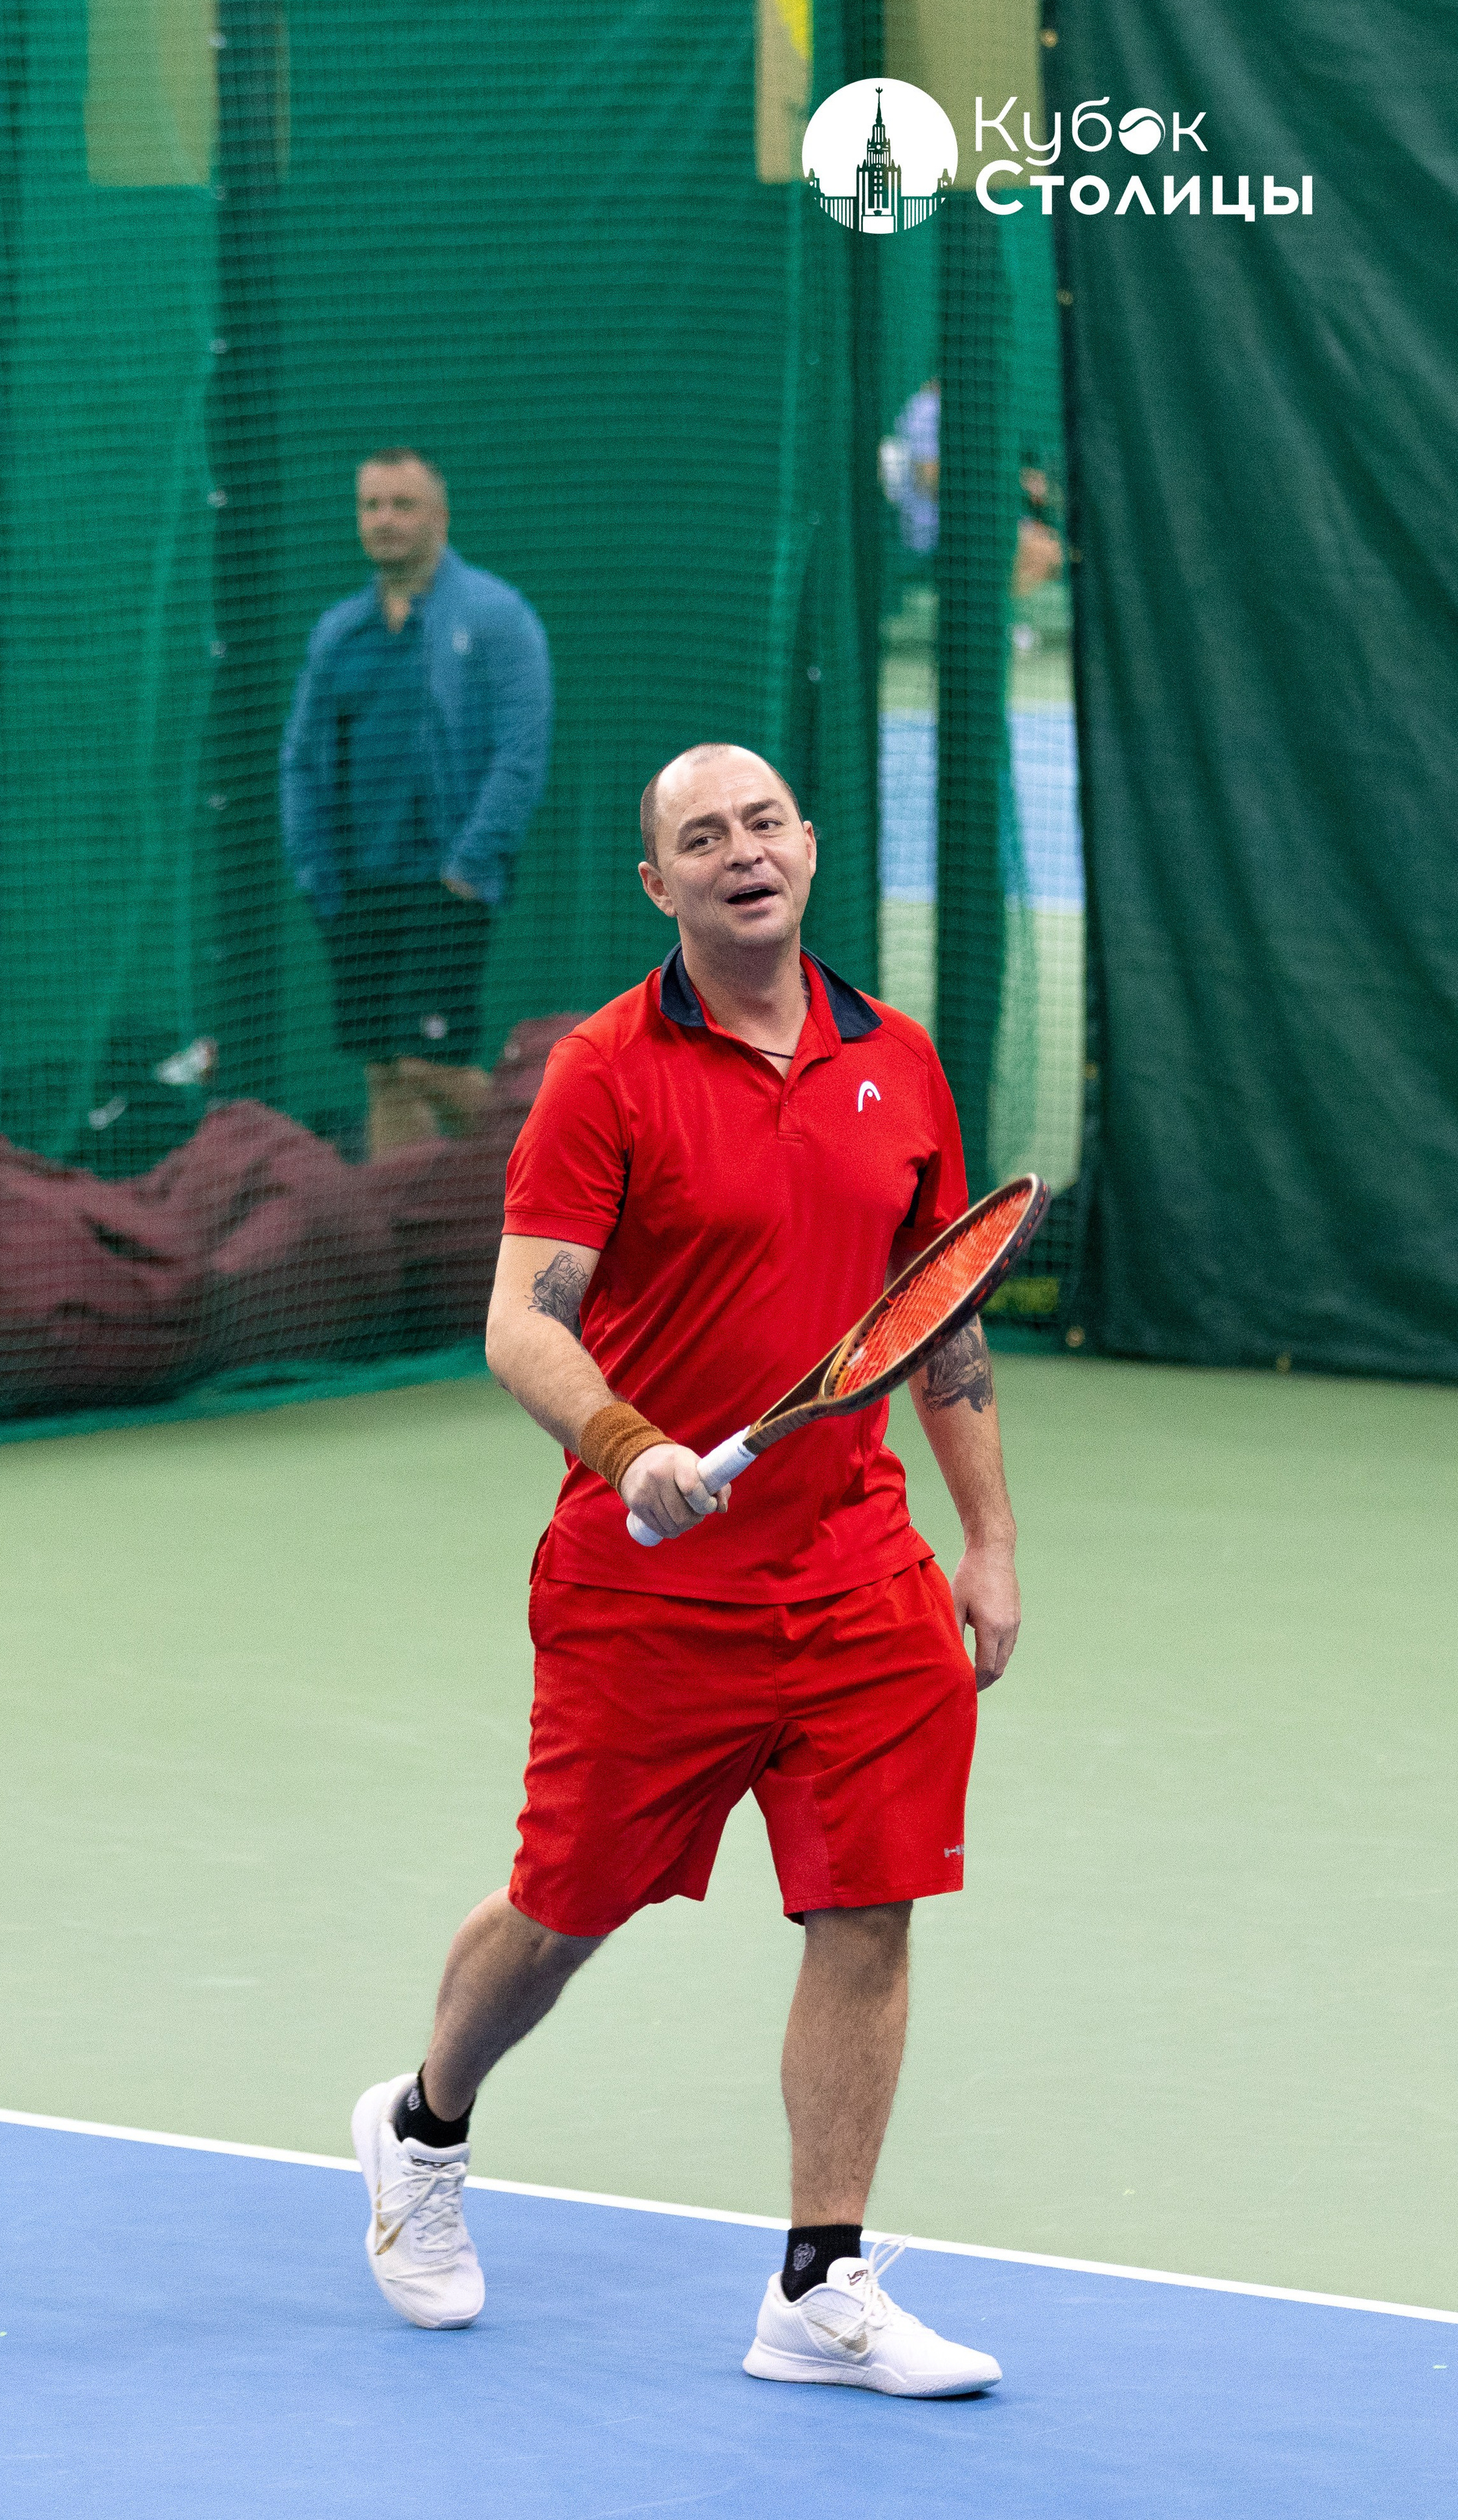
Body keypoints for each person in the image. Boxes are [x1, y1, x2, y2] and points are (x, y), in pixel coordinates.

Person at [351, 743, 1022, 2397]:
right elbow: (521, 1316)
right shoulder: (604, 1071)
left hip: (855, 1567)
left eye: (763, 823)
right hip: (643, 1583)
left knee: (869, 1901)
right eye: (701, 836)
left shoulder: (896, 1061)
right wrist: (626, 1443)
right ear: (658, 884)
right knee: (563, 1909)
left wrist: (988, 1537)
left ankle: (817, 2282)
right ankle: (421, 2123)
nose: (741, 852)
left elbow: (936, 1320)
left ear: (807, 847)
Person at [280, 451, 552, 1157]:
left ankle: (570, 1176)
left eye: (403, 505)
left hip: (448, 883)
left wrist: (469, 866)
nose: (385, 520)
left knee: (427, 1065)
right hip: (356, 888)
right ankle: (402, 1221)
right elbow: (302, 760)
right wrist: (316, 870)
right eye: (371, 505)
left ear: (441, 516)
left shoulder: (497, 617)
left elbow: (520, 755)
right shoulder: (339, 632)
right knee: (384, 1073)